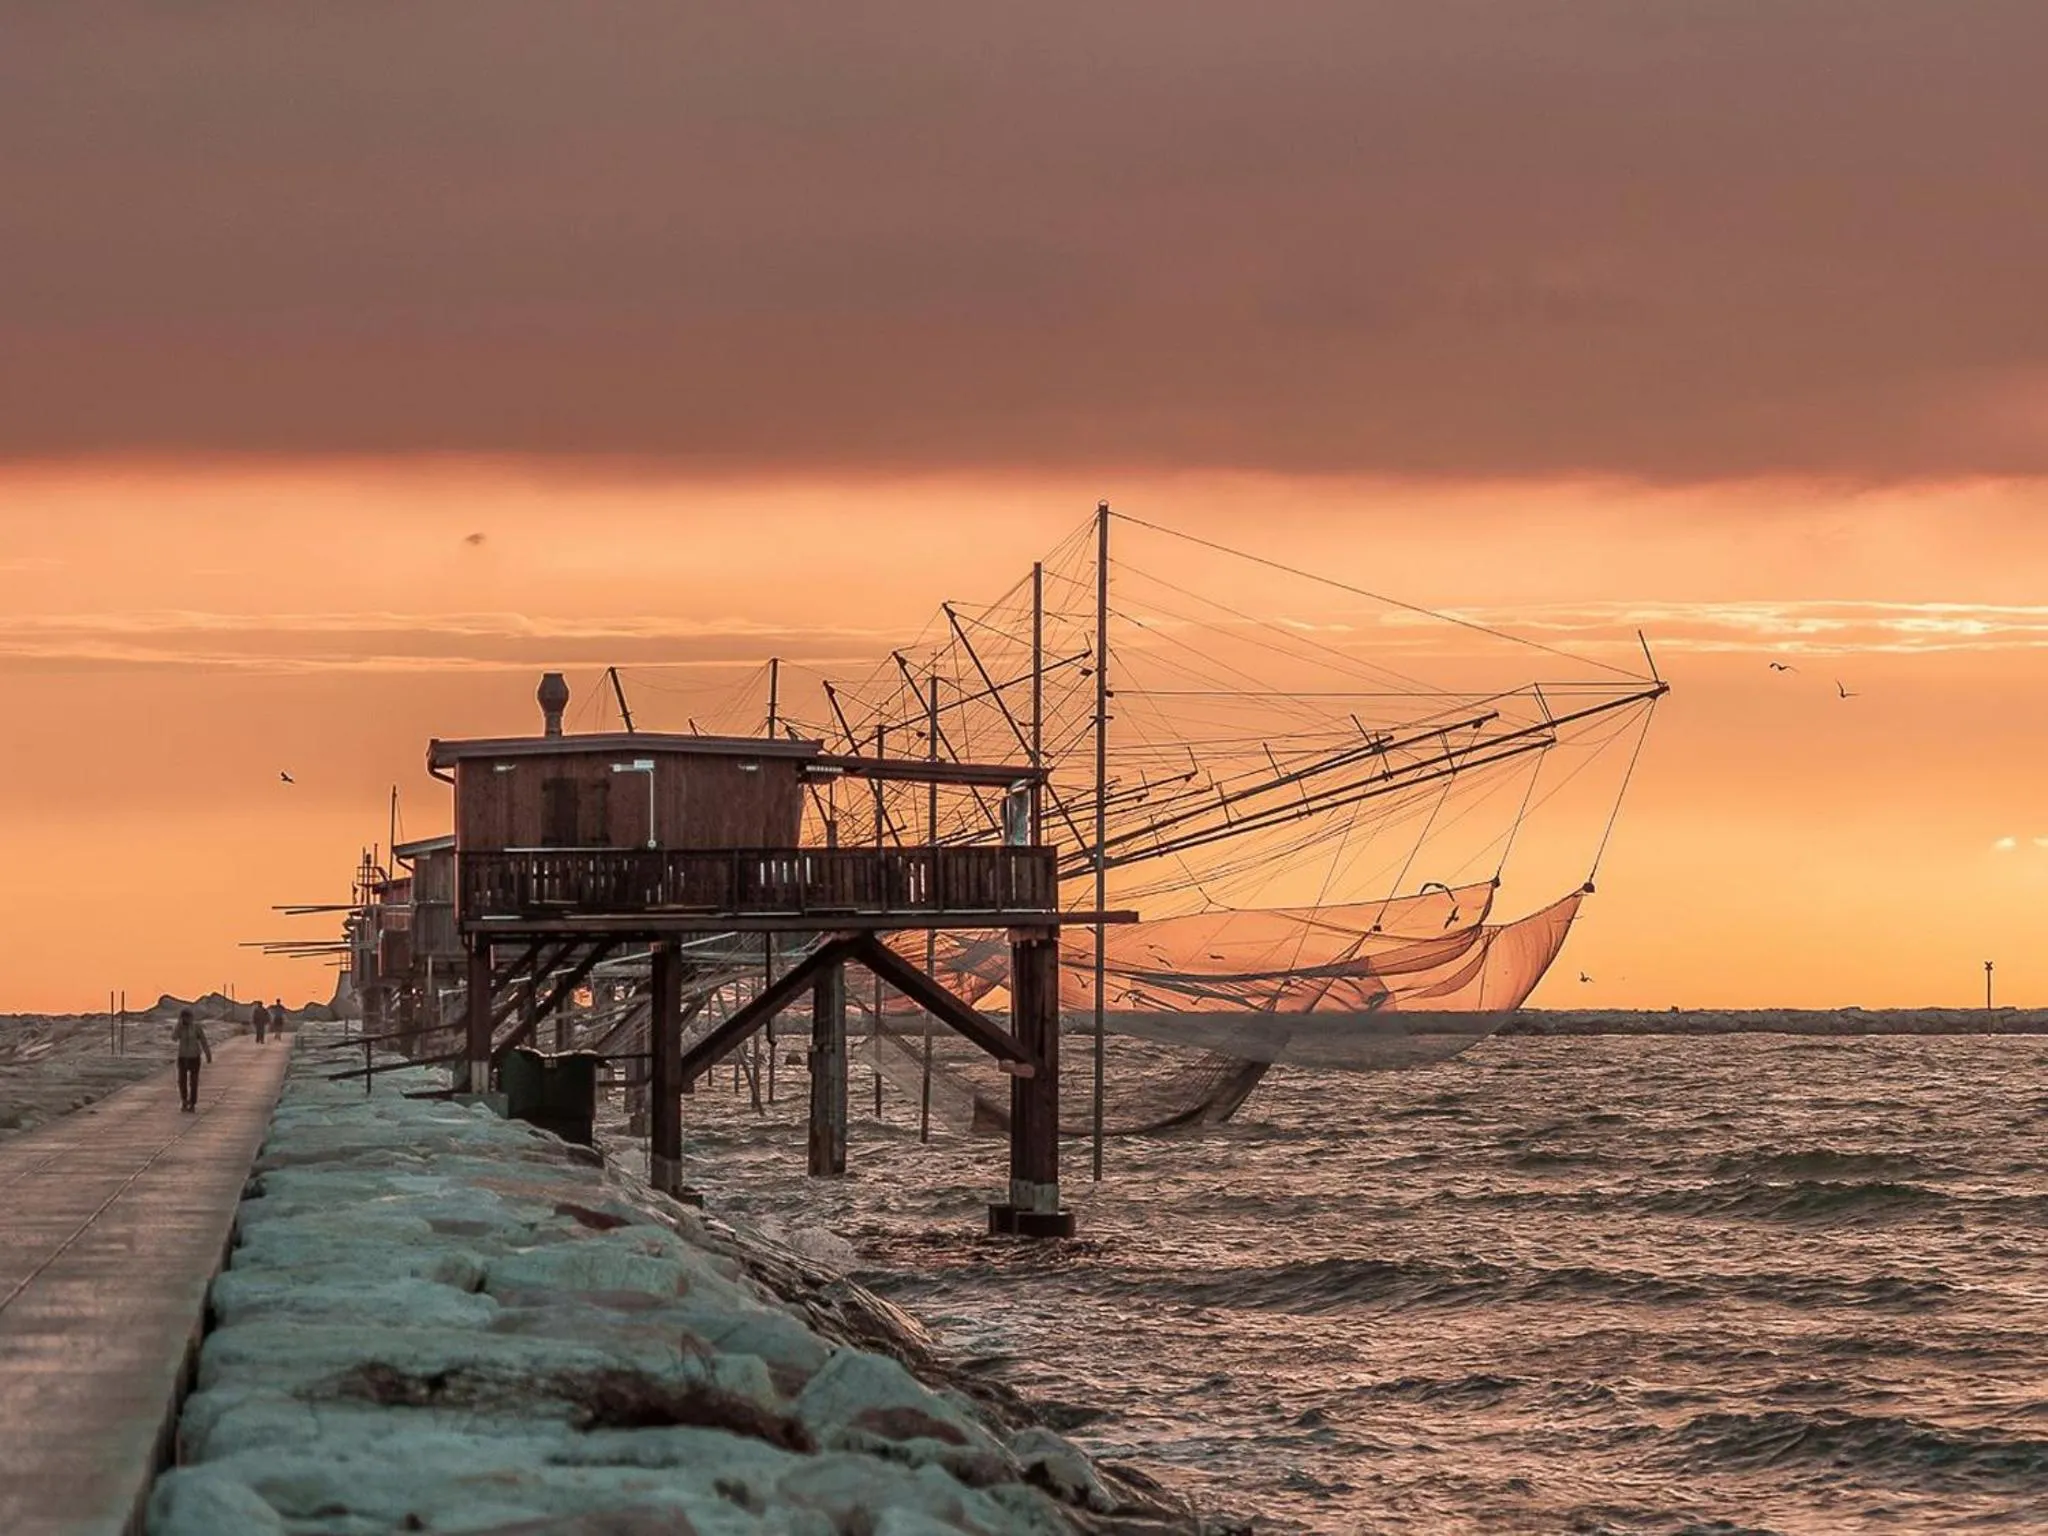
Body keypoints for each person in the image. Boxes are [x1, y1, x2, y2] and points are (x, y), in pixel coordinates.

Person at [174, 1007, 213, 1112]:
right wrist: (178, 1026)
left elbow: (203, 1041)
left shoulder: (196, 1027)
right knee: (182, 1081)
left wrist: (208, 1054)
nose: (186, 1019)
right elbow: (174, 1038)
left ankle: (192, 1103)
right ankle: (184, 1101)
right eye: (183, 1017)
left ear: (191, 1017)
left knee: (194, 1082)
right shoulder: (180, 1027)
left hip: (194, 1057)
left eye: (187, 1017)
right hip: (182, 1057)